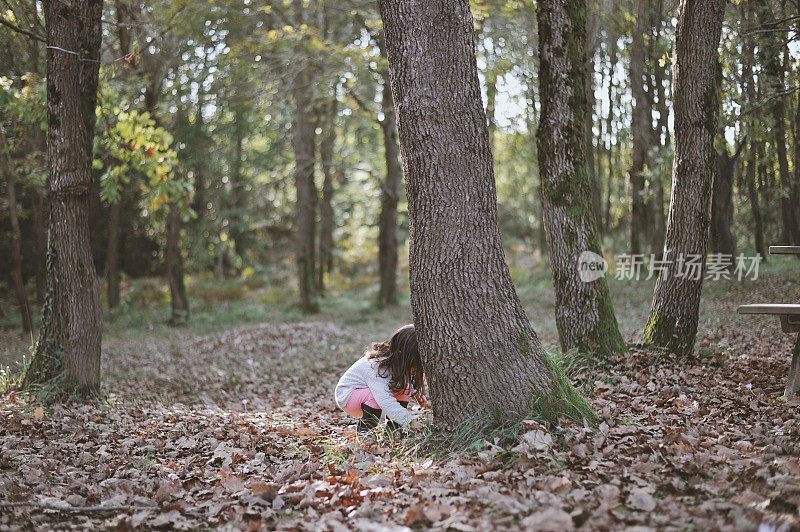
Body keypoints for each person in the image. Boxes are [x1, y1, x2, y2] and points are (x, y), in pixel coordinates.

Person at [335, 324, 428, 438]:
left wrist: (414, 392)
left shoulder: (395, 361)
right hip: (348, 397)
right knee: (375, 395)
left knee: (405, 388)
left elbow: (398, 380)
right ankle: (365, 431)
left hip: (364, 395)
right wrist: (409, 421)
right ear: (405, 356)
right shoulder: (377, 368)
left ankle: (393, 428)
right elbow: (385, 400)